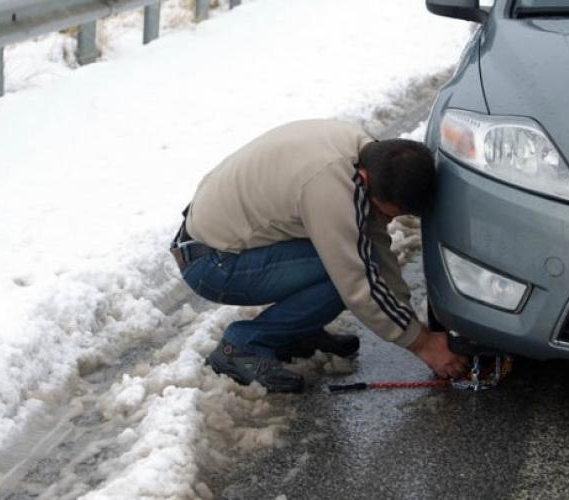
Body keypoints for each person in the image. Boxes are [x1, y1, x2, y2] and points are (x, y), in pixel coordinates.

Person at [170, 119, 468, 392]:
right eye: (386, 213)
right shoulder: (330, 185)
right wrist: (423, 344)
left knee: (355, 259)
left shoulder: (369, 156)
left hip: (225, 242)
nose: (387, 221)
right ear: (365, 180)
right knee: (343, 272)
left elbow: (374, 241)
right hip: (212, 264)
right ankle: (240, 346)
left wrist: (411, 321)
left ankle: (294, 331)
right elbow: (358, 282)